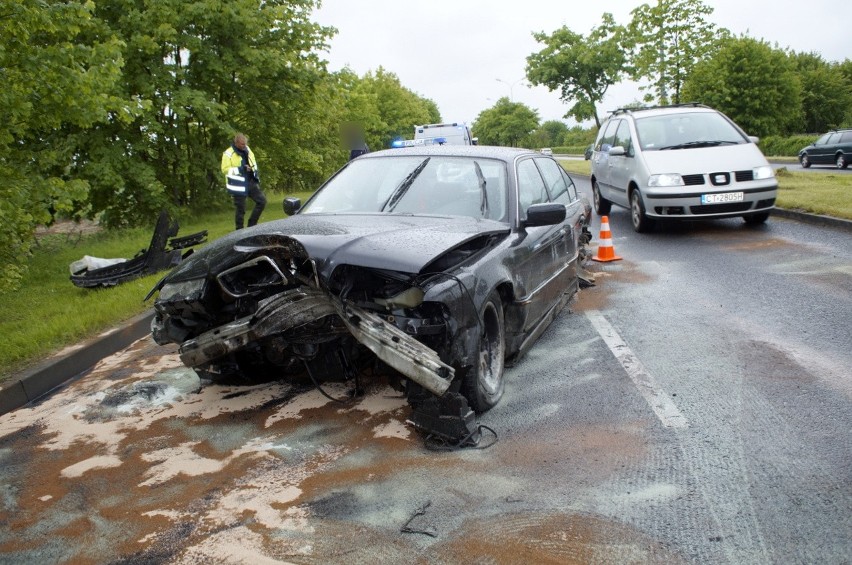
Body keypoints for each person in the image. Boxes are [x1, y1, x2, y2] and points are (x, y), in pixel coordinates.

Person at [221, 133, 266, 230]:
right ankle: (239, 231)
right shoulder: (228, 153)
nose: (244, 146)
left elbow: (253, 162)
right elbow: (225, 170)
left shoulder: (247, 149)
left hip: (250, 182)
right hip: (238, 184)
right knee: (240, 210)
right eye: (242, 144)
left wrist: (255, 174)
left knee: (262, 201)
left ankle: (251, 225)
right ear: (236, 143)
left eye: (245, 144)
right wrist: (241, 169)